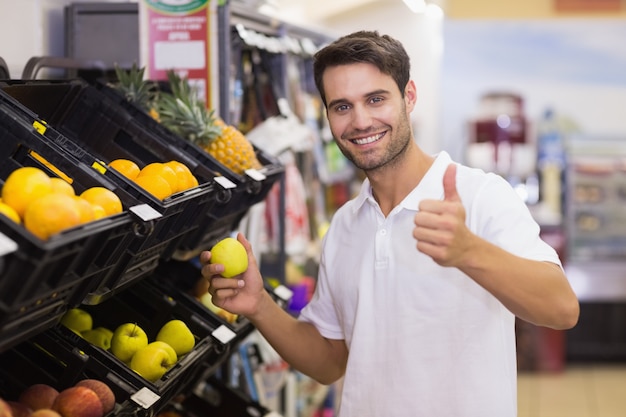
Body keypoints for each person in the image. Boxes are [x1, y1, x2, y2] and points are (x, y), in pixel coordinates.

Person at [201, 30, 580, 417]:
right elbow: (330, 360)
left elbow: (561, 309)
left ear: (409, 96)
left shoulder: (480, 196)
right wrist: (260, 306)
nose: (361, 121)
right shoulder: (345, 225)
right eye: (342, 107)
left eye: (376, 99)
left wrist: (470, 251)